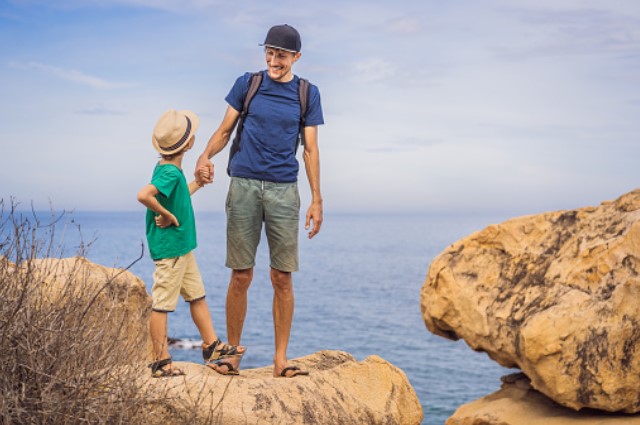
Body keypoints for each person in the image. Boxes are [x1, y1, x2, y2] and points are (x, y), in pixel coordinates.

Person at [196, 24, 324, 378]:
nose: (273, 60)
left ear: (295, 57)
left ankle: (280, 360)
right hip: (244, 186)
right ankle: (232, 355)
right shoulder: (247, 84)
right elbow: (224, 131)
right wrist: (205, 156)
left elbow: (311, 150)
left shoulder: (306, 93)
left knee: (282, 277)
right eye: (269, 52)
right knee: (241, 274)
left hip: (284, 190)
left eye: (281, 55)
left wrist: (317, 199)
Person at [138, 108, 246, 377]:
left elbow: (177, 195)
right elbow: (144, 195)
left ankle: (212, 346)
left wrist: (197, 183)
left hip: (183, 249)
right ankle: (161, 361)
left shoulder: (167, 170)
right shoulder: (170, 174)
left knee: (197, 296)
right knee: (162, 304)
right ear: (189, 144)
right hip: (171, 250)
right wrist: (166, 215)